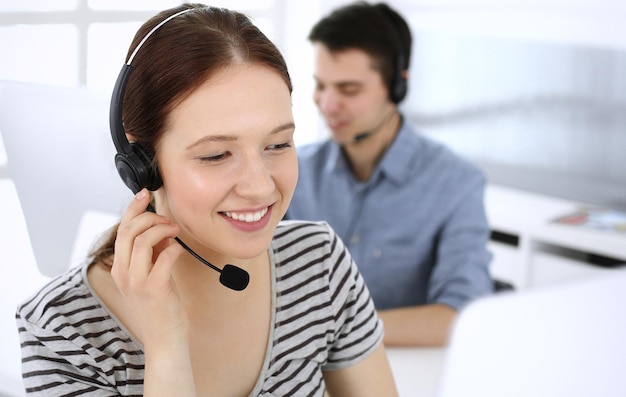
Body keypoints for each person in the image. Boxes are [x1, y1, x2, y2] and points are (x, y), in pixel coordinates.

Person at [15, 4, 398, 396]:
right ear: (143, 163)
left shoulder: (319, 265)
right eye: (216, 155)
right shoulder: (61, 330)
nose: (260, 186)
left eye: (278, 143)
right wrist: (165, 344)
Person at [285, 1, 494, 347]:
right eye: (321, 85)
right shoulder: (294, 171)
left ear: (398, 86)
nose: (327, 104)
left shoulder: (456, 184)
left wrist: (334, 331)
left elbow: (460, 315)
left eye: (349, 90)